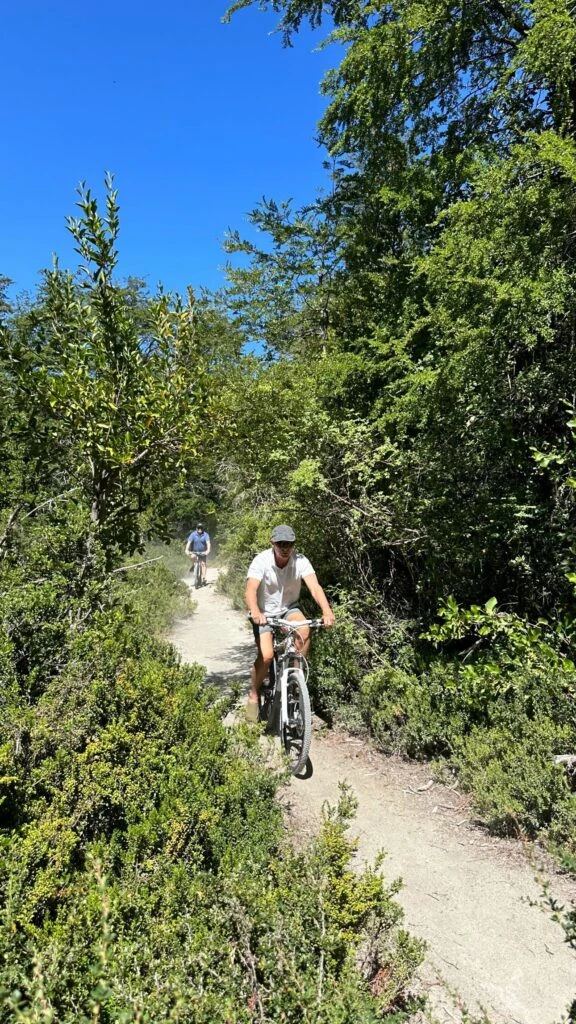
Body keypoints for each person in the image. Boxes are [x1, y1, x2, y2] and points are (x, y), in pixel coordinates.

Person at [244, 524, 335, 721]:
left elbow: (315, 587)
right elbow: (250, 590)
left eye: (289, 544)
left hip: (289, 609)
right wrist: (256, 612)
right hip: (265, 613)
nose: (285, 548)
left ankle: (295, 679)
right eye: (281, 544)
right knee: (267, 656)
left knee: (304, 630)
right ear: (273, 543)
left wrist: (327, 611)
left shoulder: (300, 561)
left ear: (294, 544)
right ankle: (253, 693)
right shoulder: (261, 561)